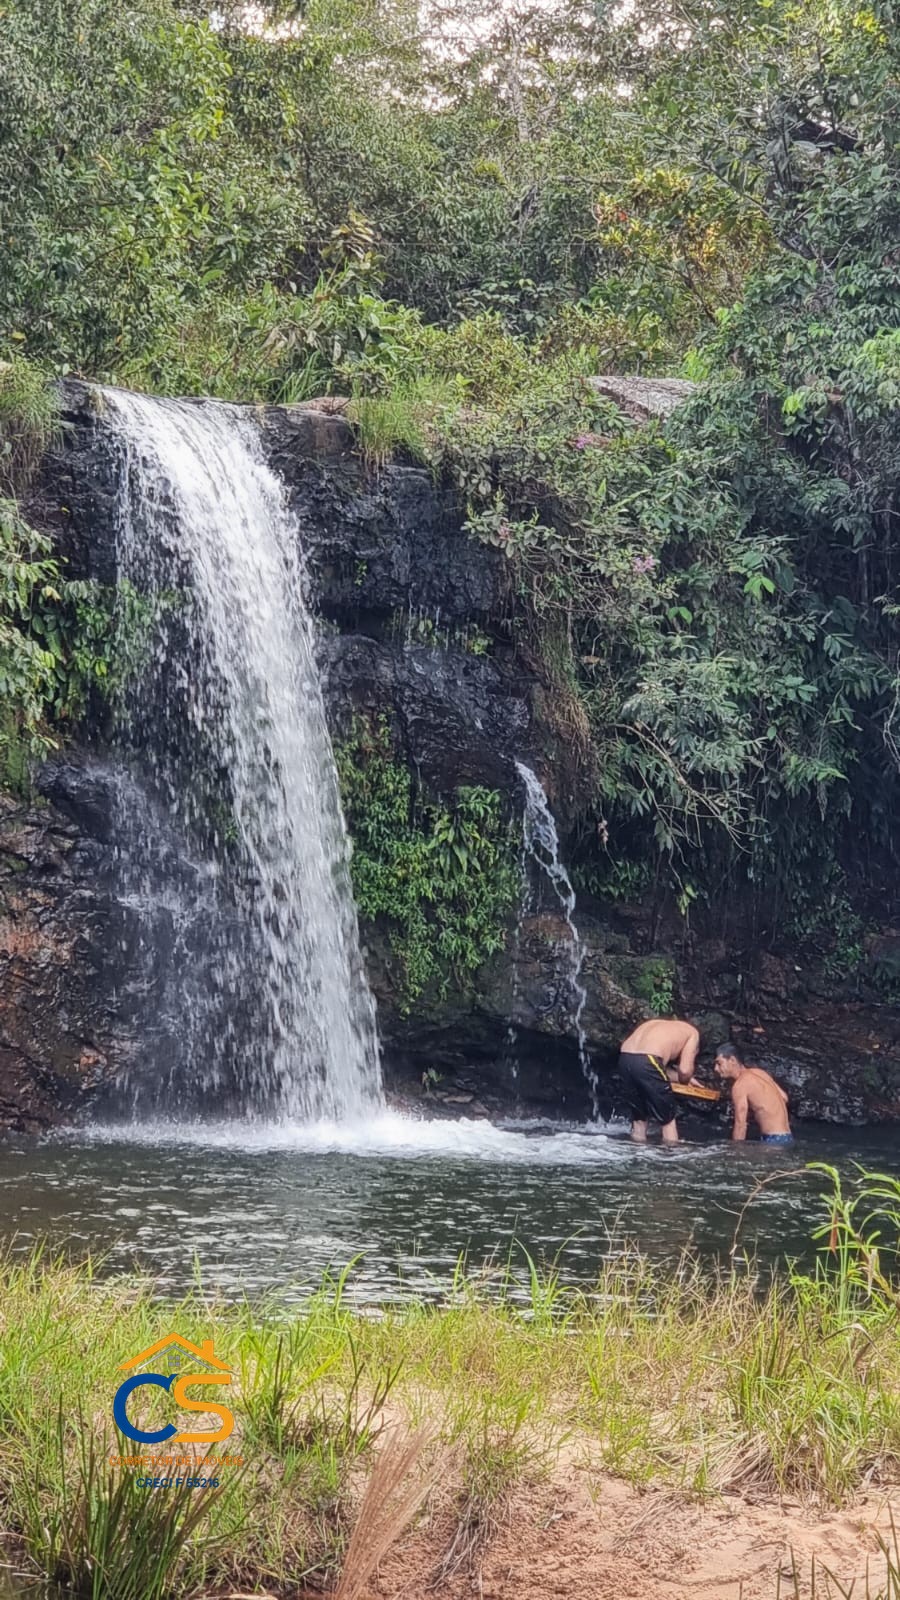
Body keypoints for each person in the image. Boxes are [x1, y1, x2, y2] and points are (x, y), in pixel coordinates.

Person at [618, 1018, 701, 1145]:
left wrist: (679, 1077)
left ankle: (636, 1154)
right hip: (649, 1060)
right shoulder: (693, 1033)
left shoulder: (661, 1025)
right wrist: (685, 1080)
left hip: (625, 1058)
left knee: (639, 1118)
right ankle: (670, 1156)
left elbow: (650, 1066)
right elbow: (684, 1070)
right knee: (668, 1119)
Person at [713, 1043, 793, 1144]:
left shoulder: (740, 1085)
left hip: (773, 1139)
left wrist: (735, 1153)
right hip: (787, 1136)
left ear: (732, 1060)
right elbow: (784, 1097)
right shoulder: (760, 1072)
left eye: (719, 1063)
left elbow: (740, 1125)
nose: (715, 1068)